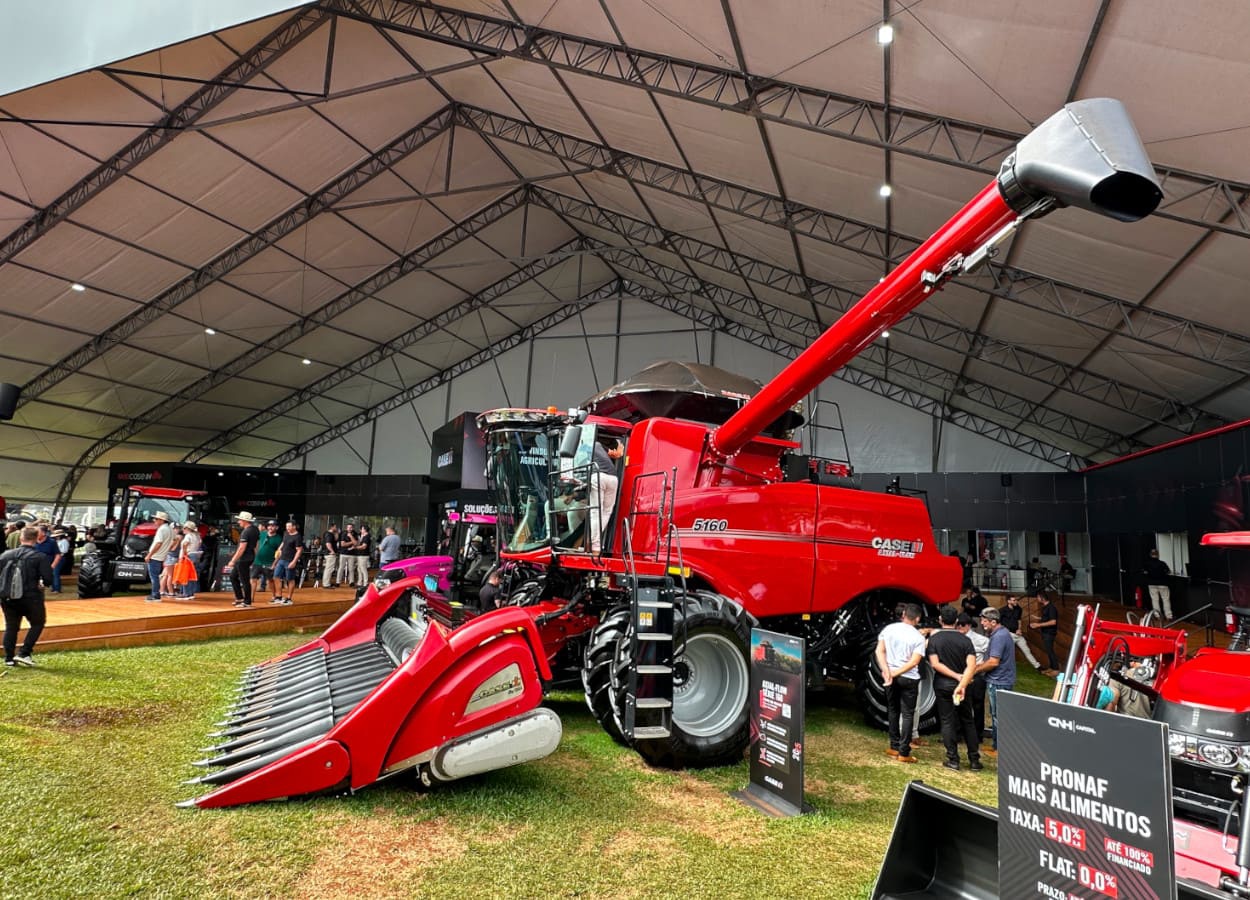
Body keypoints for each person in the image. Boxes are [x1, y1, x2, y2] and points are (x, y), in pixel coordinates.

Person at [927, 605, 981, 771]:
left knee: (947, 721)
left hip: (943, 684)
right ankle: (974, 760)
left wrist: (955, 677)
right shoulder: (966, 640)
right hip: (964, 685)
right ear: (956, 621)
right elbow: (972, 665)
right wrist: (962, 681)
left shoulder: (935, 640)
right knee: (968, 720)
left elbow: (935, 664)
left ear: (940, 620)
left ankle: (953, 758)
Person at [876, 602, 926, 763]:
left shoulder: (889, 629)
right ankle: (904, 752)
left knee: (892, 710)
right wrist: (896, 672)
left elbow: (879, 650)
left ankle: (894, 745)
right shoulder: (918, 636)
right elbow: (914, 662)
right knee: (907, 714)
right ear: (917, 618)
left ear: (903, 614)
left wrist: (887, 671)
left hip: (890, 675)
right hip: (909, 677)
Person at [1, 526, 53, 667]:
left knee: (11, 627)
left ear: (20, 538)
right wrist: (42, 584)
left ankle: (9, 658)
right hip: (31, 597)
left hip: (7, 597)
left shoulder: (5, 555)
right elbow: (48, 578)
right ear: (37, 539)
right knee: (37, 623)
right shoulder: (40, 557)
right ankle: (24, 653)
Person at [975, 606, 1016, 757]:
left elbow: (993, 662)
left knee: (999, 716)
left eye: (984, 621)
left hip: (999, 682)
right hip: (1000, 680)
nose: (982, 623)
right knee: (996, 715)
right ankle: (995, 746)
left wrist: (976, 669)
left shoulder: (999, 637)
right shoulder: (1001, 634)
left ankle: (1000, 749)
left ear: (993, 622)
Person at [957, 613, 989, 744]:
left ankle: (978, 734)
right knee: (959, 704)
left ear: (969, 625)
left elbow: (989, 657)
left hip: (976, 676)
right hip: (960, 675)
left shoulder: (981, 640)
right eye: (957, 625)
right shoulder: (955, 637)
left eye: (962, 625)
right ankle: (959, 733)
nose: (959, 627)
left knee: (977, 705)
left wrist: (980, 667)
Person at [589, 438, 623, 553]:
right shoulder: (598, 444)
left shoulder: (582, 446)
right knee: (606, 511)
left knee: (595, 512)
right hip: (613, 478)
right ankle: (594, 543)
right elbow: (617, 454)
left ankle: (594, 546)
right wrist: (619, 443)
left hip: (598, 476)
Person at [999, 594, 1045, 673]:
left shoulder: (1019, 609)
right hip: (1008, 634)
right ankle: (1001, 668)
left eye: (1016, 600)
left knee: (1027, 650)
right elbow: (999, 624)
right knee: (1006, 652)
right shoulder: (1002, 610)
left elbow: (1019, 620)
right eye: (1013, 600)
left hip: (1018, 634)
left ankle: (1038, 667)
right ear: (1008, 601)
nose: (1015, 601)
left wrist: (1019, 629)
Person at [226, 511, 260, 608]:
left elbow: (242, 548)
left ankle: (247, 601)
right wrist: (255, 555)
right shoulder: (255, 529)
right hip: (249, 557)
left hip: (244, 558)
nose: (239, 522)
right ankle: (240, 598)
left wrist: (233, 560)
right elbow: (256, 545)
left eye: (240, 520)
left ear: (245, 521)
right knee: (233, 576)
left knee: (244, 580)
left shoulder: (246, 531)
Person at [143, 511, 176, 602]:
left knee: (154, 577)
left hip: (155, 556)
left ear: (162, 520)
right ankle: (155, 594)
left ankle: (155, 595)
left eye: (156, 519)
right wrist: (168, 548)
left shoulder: (161, 530)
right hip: (161, 556)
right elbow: (176, 539)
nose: (154, 521)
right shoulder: (170, 529)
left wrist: (149, 555)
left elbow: (158, 543)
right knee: (156, 576)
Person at [271, 522, 304, 605]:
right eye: (286, 526)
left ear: (294, 526)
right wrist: (278, 550)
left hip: (290, 560)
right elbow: (283, 542)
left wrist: (294, 561)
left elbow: (299, 550)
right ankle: (279, 596)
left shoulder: (297, 537)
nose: (287, 528)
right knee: (276, 577)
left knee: (290, 579)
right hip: (282, 559)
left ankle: (289, 598)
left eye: (289, 526)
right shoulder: (286, 534)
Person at [1031, 588, 1061, 671]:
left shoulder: (1051, 607)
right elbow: (1047, 618)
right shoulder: (1045, 607)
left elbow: (1053, 621)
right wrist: (1039, 618)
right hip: (1045, 632)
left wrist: (1038, 625)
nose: (1037, 599)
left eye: (1038, 597)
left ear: (1042, 598)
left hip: (1049, 633)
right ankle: (1051, 667)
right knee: (1048, 650)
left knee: (1050, 651)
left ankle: (1055, 669)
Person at [253, 521, 282, 602]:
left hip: (269, 562)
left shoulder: (279, 538)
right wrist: (255, 556)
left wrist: (274, 563)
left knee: (270, 580)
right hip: (257, 561)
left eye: (273, 526)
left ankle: (274, 596)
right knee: (253, 579)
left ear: (277, 528)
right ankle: (250, 598)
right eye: (269, 526)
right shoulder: (262, 534)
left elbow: (279, 553)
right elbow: (256, 544)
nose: (270, 527)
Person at [1144, 549, 1172, 620]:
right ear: (1158, 555)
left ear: (1150, 555)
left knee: (1155, 600)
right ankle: (1168, 616)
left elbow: (1145, 572)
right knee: (1166, 600)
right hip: (1163, 583)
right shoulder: (1162, 563)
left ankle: (1158, 616)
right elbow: (1168, 572)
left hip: (1152, 584)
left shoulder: (1147, 564)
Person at [177, 521, 202, 600]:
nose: (183, 529)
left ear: (188, 528)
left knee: (186, 575)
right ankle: (191, 593)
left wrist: (184, 553)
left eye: (184, 528)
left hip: (189, 555)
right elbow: (200, 543)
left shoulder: (188, 536)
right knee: (192, 575)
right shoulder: (197, 536)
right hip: (195, 555)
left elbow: (185, 544)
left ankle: (186, 593)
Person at [49, 528, 70, 594]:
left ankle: (57, 588)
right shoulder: (57, 541)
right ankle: (54, 588)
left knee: (55, 573)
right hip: (56, 557)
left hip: (60, 557)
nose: (56, 537)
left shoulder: (64, 541)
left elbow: (64, 551)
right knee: (53, 573)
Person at [321, 523, 340, 588]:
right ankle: (326, 584)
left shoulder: (331, 534)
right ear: (332, 527)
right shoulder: (328, 534)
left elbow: (335, 539)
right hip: (330, 554)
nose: (336, 528)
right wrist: (332, 551)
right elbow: (328, 544)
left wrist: (337, 532)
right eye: (335, 527)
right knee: (329, 569)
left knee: (329, 569)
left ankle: (327, 583)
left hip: (329, 553)